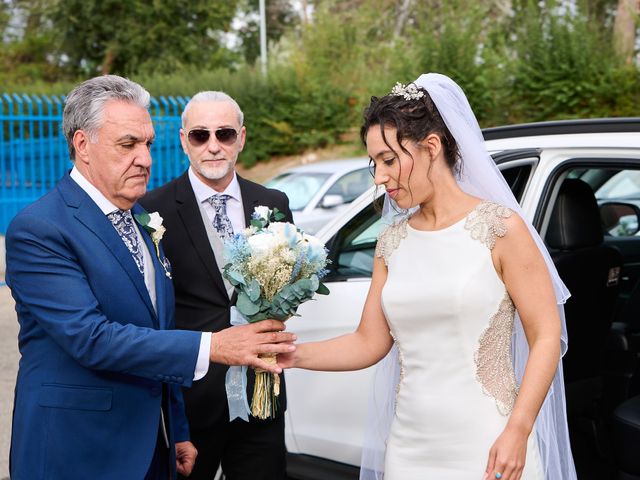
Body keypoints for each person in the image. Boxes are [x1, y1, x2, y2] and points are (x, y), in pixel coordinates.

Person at [279, 73, 577, 480]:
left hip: (488, 443)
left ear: (431, 147)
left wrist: (519, 429)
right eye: (374, 164)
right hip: (409, 449)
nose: (380, 177)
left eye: (389, 160)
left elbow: (545, 336)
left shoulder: (501, 229)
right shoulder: (391, 243)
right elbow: (368, 342)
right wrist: (291, 356)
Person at [6, 75, 295, 480]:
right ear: (82, 145)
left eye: (148, 144)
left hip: (151, 449)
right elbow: (91, 338)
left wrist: (175, 430)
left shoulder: (143, 222)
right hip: (78, 450)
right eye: (128, 145)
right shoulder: (39, 229)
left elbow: (158, 328)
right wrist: (213, 346)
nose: (145, 159)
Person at [141, 91, 293, 480]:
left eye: (224, 134)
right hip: (191, 402)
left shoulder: (273, 202)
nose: (213, 146)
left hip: (262, 393)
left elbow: (289, 285)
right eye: (200, 135)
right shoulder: (151, 210)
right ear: (182, 141)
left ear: (241, 138)